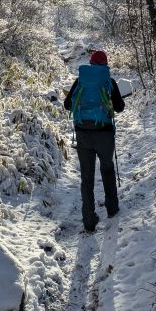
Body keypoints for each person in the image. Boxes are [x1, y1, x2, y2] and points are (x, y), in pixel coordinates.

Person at [64, 49, 125, 232]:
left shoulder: (80, 80)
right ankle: (112, 209)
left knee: (87, 177)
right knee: (107, 169)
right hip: (104, 133)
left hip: (83, 133)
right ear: (106, 65)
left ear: (90, 64)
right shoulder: (109, 81)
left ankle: (89, 221)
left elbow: (67, 105)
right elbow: (120, 108)